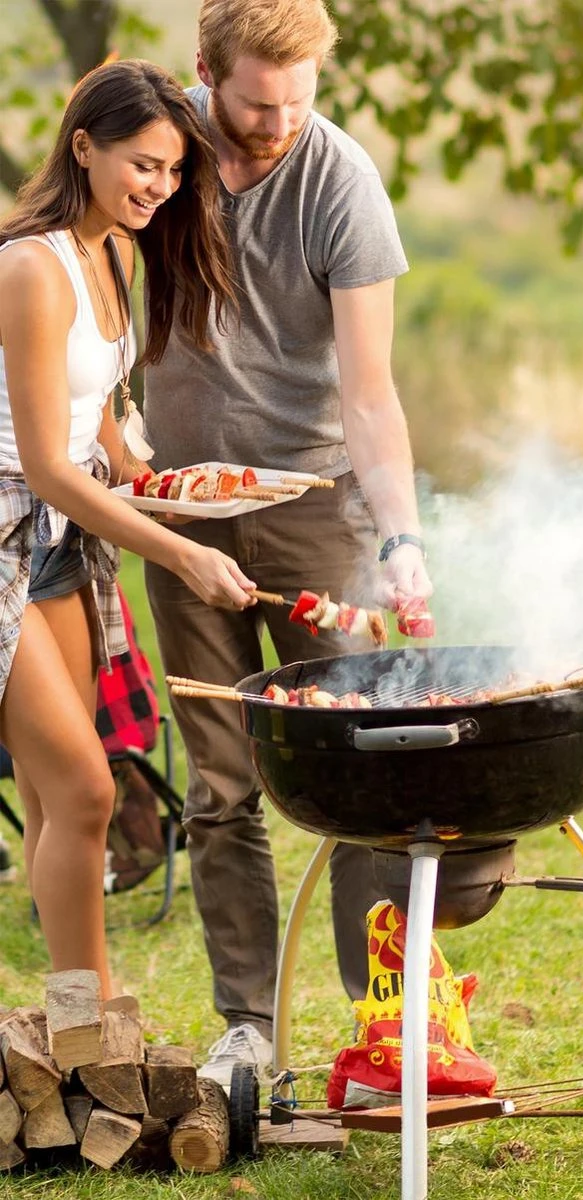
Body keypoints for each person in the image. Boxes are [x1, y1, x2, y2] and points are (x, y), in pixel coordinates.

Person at [142, 0, 433, 1086]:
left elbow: (371, 392)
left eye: (298, 102)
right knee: (221, 787)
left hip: (318, 504)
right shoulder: (158, 158)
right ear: (205, 71)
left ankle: (383, 1022)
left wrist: (400, 540)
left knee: (361, 770)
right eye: (257, 105)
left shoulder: (341, 181)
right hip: (182, 512)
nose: (278, 125)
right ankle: (249, 1030)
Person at [0, 59, 256, 1000]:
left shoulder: (113, 250)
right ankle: (94, 1017)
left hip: (61, 542)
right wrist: (181, 552)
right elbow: (46, 464)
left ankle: (68, 1020)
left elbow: (98, 423)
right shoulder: (31, 268)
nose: (161, 186)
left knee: (50, 796)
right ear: (83, 147)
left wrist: (170, 490)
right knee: (87, 790)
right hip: (10, 529)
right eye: (143, 164)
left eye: (175, 169)